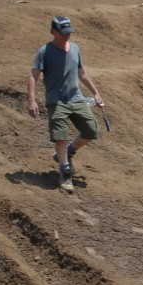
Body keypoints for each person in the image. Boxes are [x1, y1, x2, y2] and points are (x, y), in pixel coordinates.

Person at [26, 16, 103, 191]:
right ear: (53, 32)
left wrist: (95, 93)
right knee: (61, 137)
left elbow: (82, 73)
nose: (66, 36)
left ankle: (69, 152)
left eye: (69, 32)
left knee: (91, 131)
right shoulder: (45, 51)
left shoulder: (75, 49)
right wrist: (31, 100)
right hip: (56, 101)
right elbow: (33, 75)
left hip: (76, 98)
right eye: (63, 33)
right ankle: (65, 174)